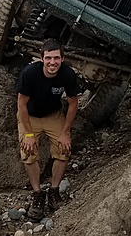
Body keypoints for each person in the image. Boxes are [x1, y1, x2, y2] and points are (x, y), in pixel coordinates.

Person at [15, 39, 82, 220]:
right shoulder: (30, 73)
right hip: (30, 116)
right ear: (42, 58)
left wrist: (66, 132)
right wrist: (28, 134)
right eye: (49, 58)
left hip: (53, 115)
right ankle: (37, 194)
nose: (52, 62)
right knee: (28, 152)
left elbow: (73, 102)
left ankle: (54, 191)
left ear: (62, 59)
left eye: (56, 58)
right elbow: (21, 103)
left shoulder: (67, 75)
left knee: (64, 150)